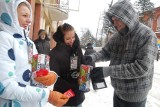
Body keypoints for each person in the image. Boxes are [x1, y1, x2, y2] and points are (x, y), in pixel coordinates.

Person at [84, 0, 158, 107]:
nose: (114, 23)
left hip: (135, 96)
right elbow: (106, 52)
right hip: (118, 92)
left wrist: (108, 71)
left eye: (117, 19)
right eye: (113, 20)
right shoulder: (117, 36)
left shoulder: (147, 35)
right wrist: (92, 58)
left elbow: (141, 68)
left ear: (127, 17)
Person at [0, 1, 68, 107]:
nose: (29, 20)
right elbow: (5, 86)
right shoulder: (3, 38)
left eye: (30, 16)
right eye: (24, 15)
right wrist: (47, 95)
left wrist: (50, 75)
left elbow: (34, 72)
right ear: (10, 14)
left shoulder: (29, 43)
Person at [49, 23, 85, 107]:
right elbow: (55, 78)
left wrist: (84, 77)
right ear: (62, 39)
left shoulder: (78, 49)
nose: (72, 40)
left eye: (73, 37)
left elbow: (83, 65)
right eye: (68, 38)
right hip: (63, 96)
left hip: (78, 97)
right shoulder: (54, 54)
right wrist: (74, 86)